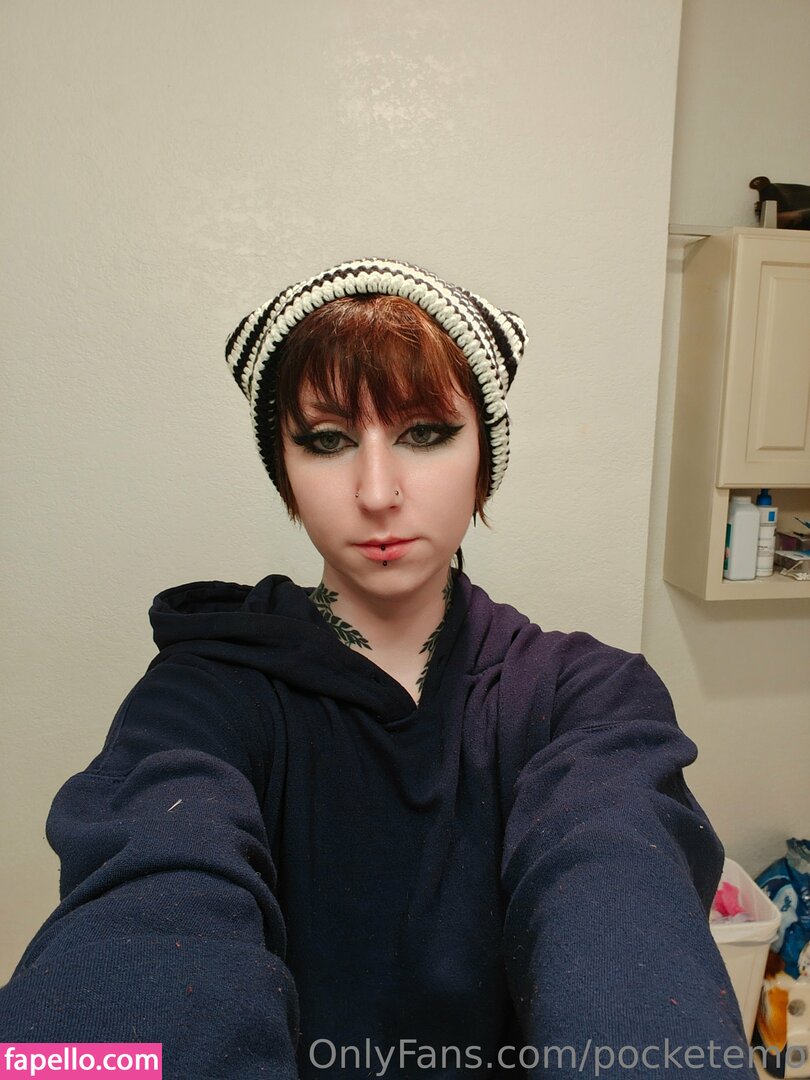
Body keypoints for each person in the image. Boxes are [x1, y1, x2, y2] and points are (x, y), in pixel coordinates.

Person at [0, 259, 756, 1078]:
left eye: (425, 434)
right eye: (326, 441)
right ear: (285, 472)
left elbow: (622, 894)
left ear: (484, 456)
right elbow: (146, 920)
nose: (376, 491)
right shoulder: (201, 697)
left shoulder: (586, 695)